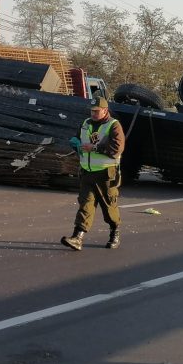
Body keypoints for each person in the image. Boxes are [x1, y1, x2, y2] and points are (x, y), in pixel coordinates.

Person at [61, 96, 125, 251]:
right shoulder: (86, 123)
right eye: (92, 111)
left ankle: (114, 232)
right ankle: (77, 237)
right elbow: (77, 138)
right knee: (86, 204)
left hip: (106, 174)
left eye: (97, 111)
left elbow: (117, 149)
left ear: (105, 110)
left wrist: (95, 148)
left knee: (109, 207)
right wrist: (75, 143)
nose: (94, 114)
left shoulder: (113, 125)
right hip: (87, 173)